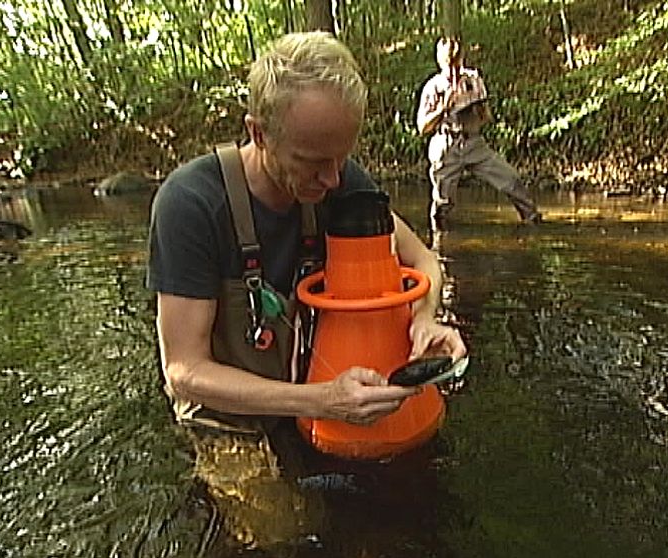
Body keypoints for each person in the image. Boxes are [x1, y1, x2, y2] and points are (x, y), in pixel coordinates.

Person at [146, 31, 467, 549]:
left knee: (418, 501)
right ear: (259, 133)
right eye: (313, 161)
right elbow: (184, 373)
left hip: (317, 393)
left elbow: (423, 259)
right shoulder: (190, 205)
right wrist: (321, 401)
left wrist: (426, 317)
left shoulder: (339, 177)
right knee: (289, 536)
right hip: (231, 416)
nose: (335, 178)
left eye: (343, 156)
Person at [416, 37, 542, 227]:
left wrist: (477, 104)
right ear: (440, 62)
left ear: (462, 60)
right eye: (449, 67)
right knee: (443, 203)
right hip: (446, 146)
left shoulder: (472, 80)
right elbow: (422, 127)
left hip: (474, 143)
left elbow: (486, 117)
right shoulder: (433, 87)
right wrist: (444, 107)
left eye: (456, 66)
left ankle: (532, 219)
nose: (454, 72)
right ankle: (439, 242)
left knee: (510, 179)